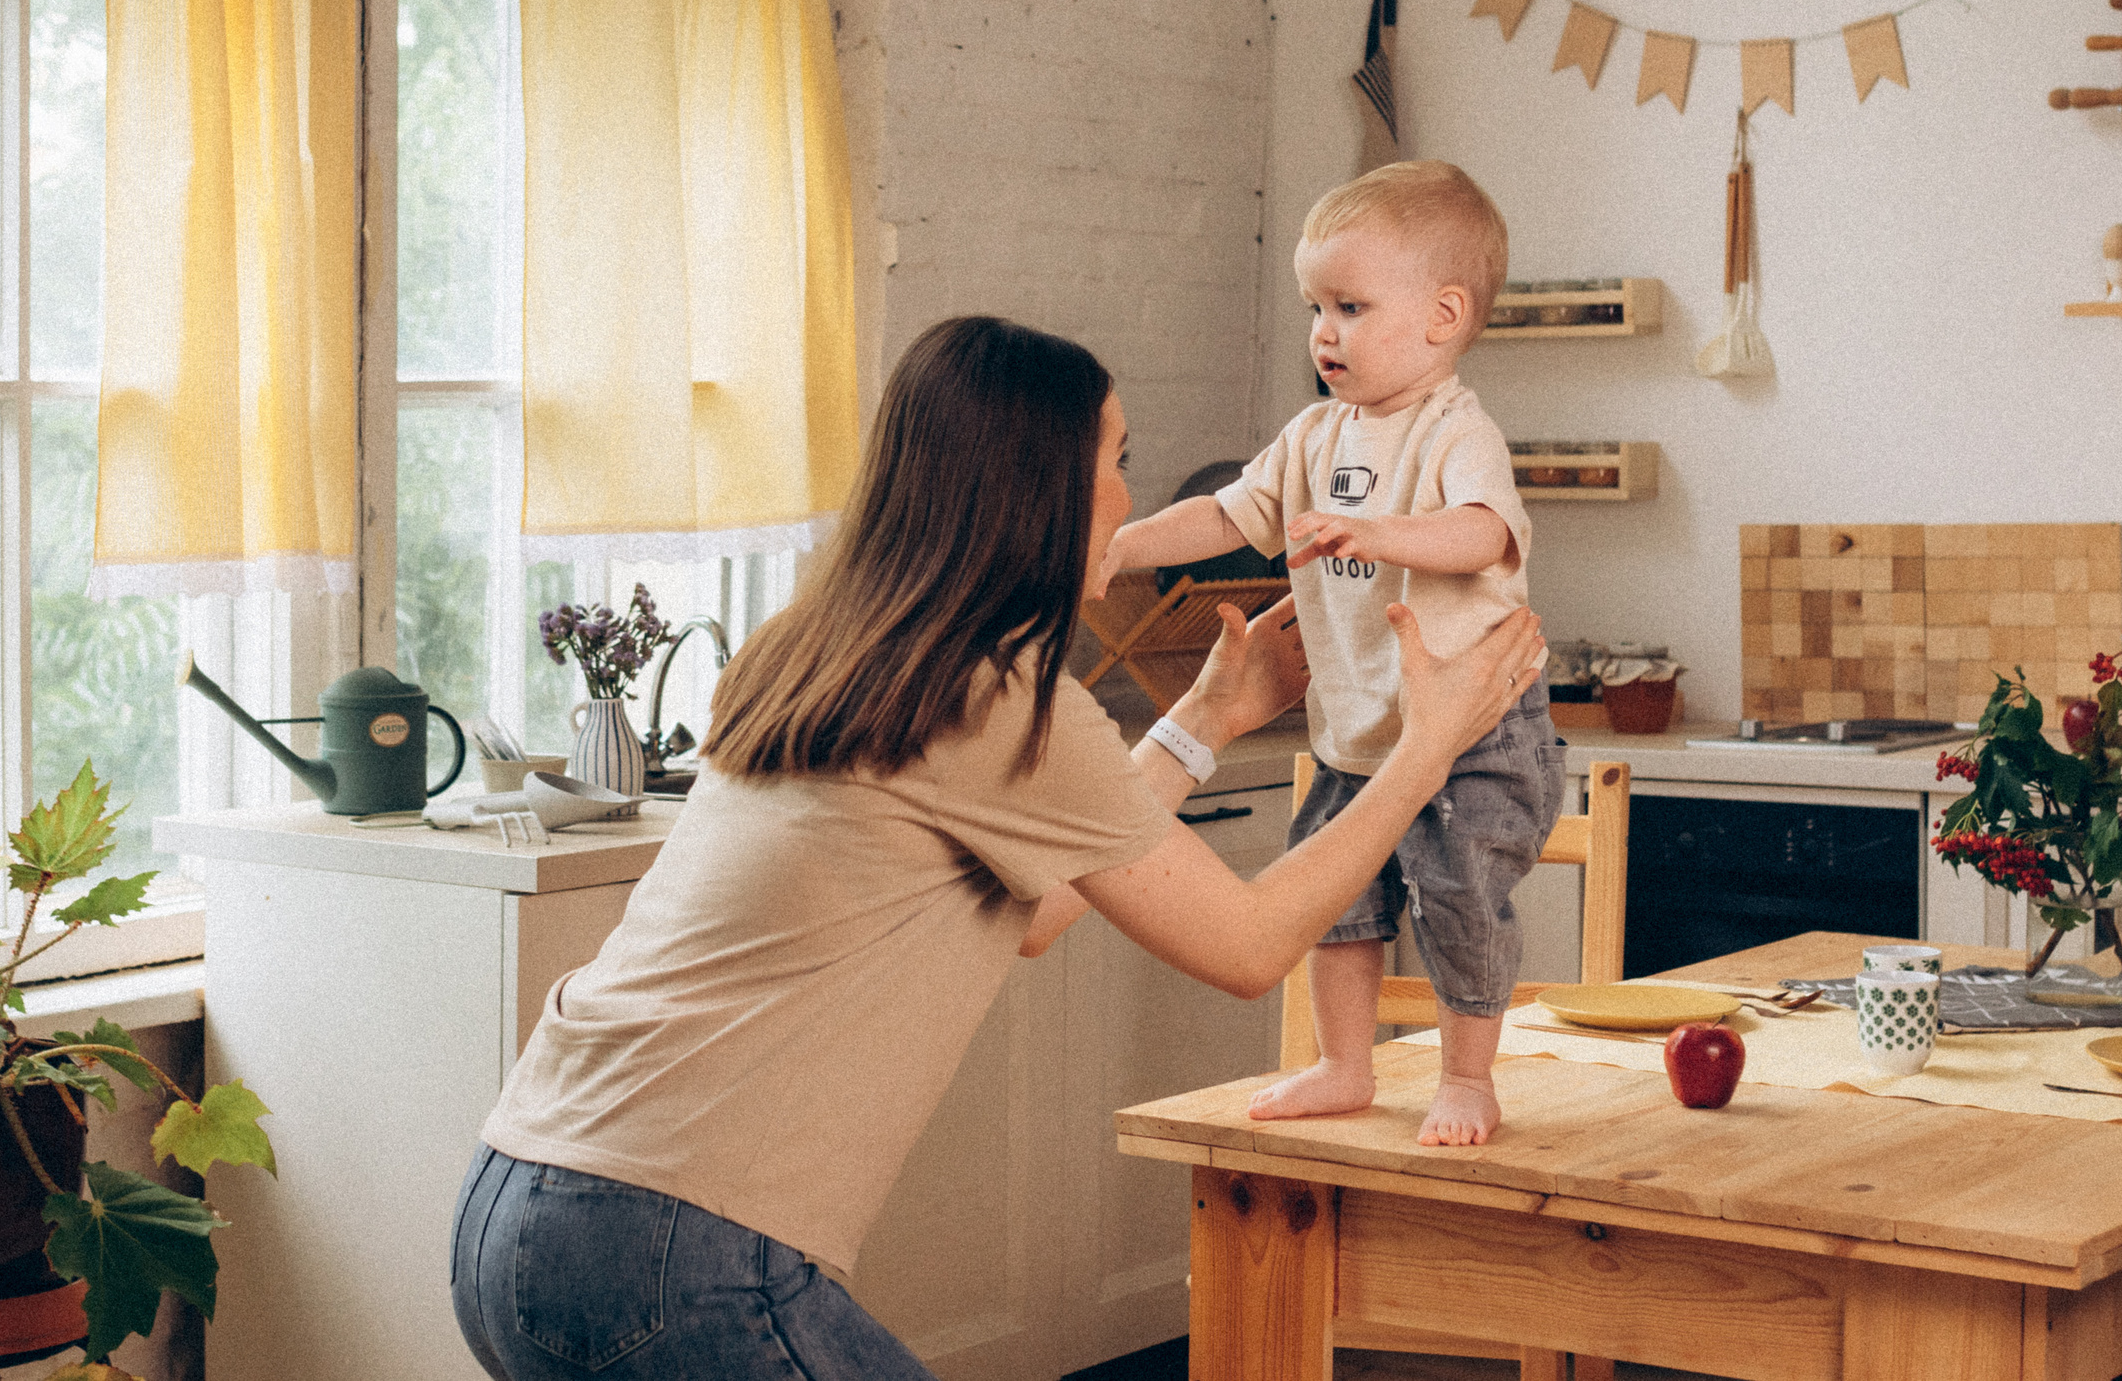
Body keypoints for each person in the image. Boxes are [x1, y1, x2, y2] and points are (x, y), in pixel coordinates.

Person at [451, 313, 1541, 1381]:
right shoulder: (998, 696)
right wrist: (1427, 746)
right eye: (1116, 459)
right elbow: (1250, 946)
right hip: (668, 1243)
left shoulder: (823, 653)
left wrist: (1201, 723)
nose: (1126, 493)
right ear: (1044, 486)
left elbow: (1041, 910)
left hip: (520, 1195)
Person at [1101, 161, 1562, 1149]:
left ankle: (1467, 1077)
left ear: (1442, 317)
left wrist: (1385, 534)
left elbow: (1482, 533)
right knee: (1336, 903)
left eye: (1349, 306)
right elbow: (1229, 514)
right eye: (1316, 306)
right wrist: (1128, 543)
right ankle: (1344, 1065)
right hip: (1356, 726)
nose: (1323, 332)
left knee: (1458, 898)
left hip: (1468, 726)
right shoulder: (1313, 433)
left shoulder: (1454, 430)